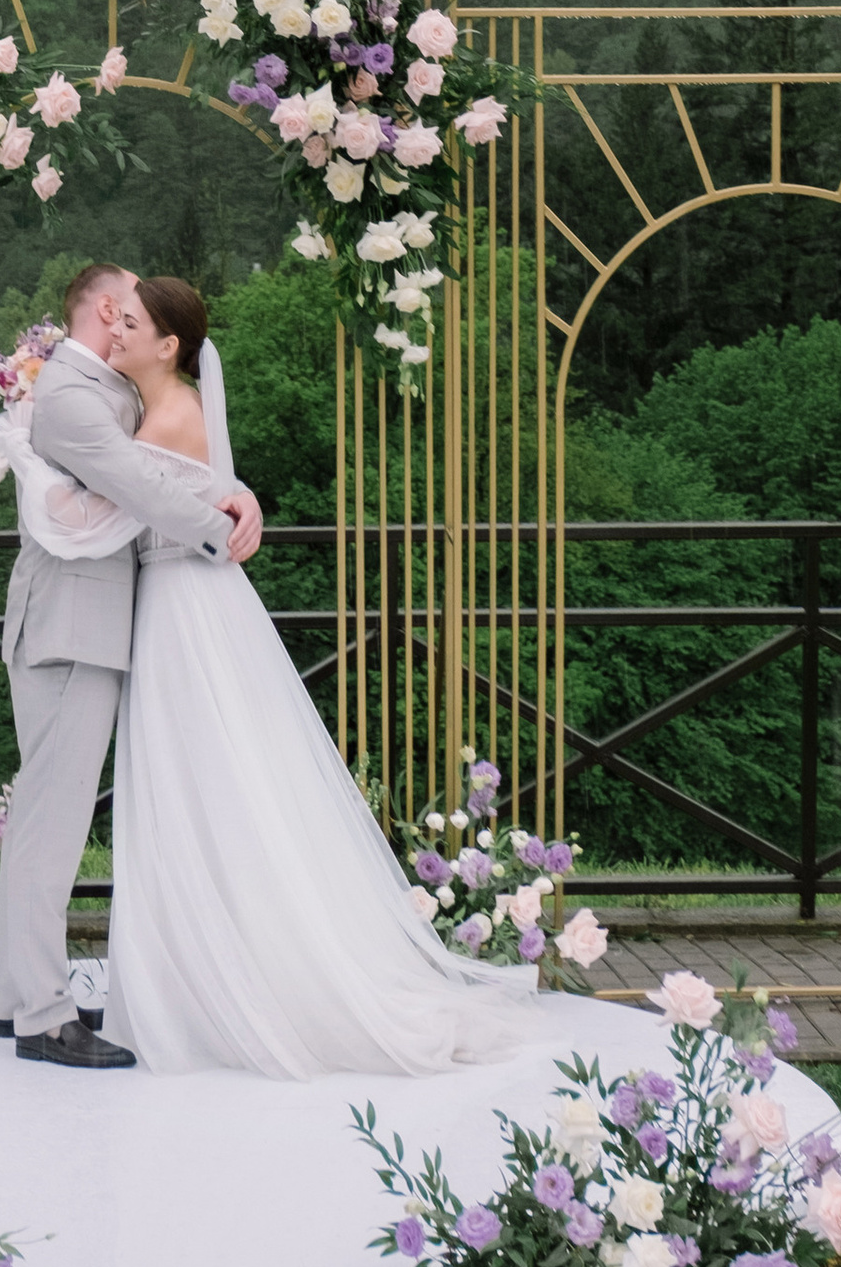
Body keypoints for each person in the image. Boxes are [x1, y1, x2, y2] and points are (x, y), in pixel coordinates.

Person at [99, 269, 550, 1079]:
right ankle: (197, 971)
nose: (115, 330)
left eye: (129, 322)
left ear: (168, 346)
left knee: (198, 786)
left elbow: (102, 495)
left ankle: (214, 983)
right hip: (193, 603)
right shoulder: (160, 407)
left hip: (181, 614)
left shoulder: (163, 420)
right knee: (211, 787)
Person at [0, 261, 263, 1068]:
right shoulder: (71, 397)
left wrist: (231, 491)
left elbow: (172, 456)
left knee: (48, 818)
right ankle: (40, 1015)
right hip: (72, 630)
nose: (135, 311)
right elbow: (137, 480)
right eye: (130, 299)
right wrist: (223, 524)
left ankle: (16, 997)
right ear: (107, 308)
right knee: (52, 823)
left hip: (90, 624)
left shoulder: (98, 385)